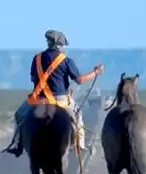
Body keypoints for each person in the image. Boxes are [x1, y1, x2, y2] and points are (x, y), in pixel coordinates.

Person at [6, 29, 104, 157]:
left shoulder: (37, 58)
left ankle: (17, 145)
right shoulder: (66, 60)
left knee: (19, 115)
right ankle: (80, 145)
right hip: (60, 101)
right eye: (63, 46)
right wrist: (95, 73)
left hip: (38, 100)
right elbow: (80, 80)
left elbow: (33, 79)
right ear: (58, 45)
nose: (64, 48)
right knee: (77, 117)